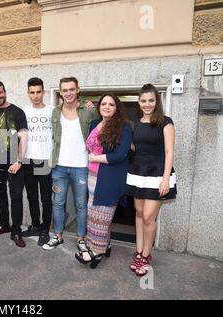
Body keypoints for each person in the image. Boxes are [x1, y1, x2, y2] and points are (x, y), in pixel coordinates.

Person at [74, 93, 132, 268]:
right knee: (93, 213)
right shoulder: (94, 123)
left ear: (117, 108)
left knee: (102, 216)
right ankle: (104, 245)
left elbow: (120, 155)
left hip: (109, 178)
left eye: (111, 104)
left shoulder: (124, 127)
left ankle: (96, 252)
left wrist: (95, 158)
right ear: (99, 107)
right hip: (93, 177)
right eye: (104, 104)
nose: (107, 107)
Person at [125, 83, 177, 276]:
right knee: (138, 214)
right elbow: (134, 146)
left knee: (148, 217)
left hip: (157, 174)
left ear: (157, 101)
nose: (147, 104)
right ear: (139, 102)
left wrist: (165, 179)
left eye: (151, 101)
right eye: (143, 101)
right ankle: (138, 252)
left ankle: (147, 255)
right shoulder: (136, 122)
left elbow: (170, 151)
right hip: (138, 172)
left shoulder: (165, 122)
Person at [43, 77, 99, 251]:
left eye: (71, 89)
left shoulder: (89, 110)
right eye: (65, 90)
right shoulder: (55, 112)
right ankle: (57, 235)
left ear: (78, 90)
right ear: (60, 93)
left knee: (81, 205)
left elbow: (101, 128)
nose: (68, 93)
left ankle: (81, 238)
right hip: (59, 166)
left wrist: (95, 105)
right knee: (58, 203)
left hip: (81, 167)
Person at [0, 81, 28, 248]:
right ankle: (4, 224)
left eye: (0, 92)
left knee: (16, 196)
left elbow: (24, 137)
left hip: (14, 162)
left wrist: (19, 161)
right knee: (0, 194)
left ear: (5, 92)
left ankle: (16, 230)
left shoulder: (17, 112)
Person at [19, 77, 54, 246]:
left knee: (46, 198)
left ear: (43, 92)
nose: (36, 96)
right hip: (28, 160)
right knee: (32, 196)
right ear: (28, 93)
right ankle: (35, 225)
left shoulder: (52, 110)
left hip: (45, 160)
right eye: (32, 92)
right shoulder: (23, 112)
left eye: (38, 92)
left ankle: (45, 229)